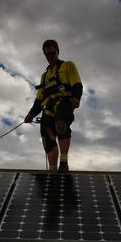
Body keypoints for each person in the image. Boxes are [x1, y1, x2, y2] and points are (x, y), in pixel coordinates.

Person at [25, 39, 83, 173]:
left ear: (57, 51)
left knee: (61, 125)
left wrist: (76, 98)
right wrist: (31, 114)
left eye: (52, 53)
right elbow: (39, 99)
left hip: (64, 102)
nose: (50, 57)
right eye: (47, 55)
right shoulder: (44, 76)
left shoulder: (68, 66)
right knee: (47, 138)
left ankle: (63, 162)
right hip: (48, 107)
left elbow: (77, 84)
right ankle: (52, 171)